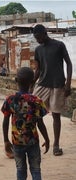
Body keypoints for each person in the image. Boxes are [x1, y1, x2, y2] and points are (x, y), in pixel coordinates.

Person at [1, 67, 50, 180]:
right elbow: (40, 123)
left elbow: (5, 121)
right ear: (32, 81)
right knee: (36, 170)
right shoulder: (36, 101)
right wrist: (47, 139)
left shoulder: (10, 100)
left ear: (16, 80)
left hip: (17, 142)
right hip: (33, 141)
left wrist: (6, 140)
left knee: (20, 170)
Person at [32, 24, 72, 156]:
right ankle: (38, 140)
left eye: (38, 37)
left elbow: (69, 63)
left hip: (57, 85)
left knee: (56, 115)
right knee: (33, 112)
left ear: (45, 33)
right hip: (42, 84)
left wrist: (68, 84)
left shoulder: (59, 45)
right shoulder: (38, 49)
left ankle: (56, 145)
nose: (37, 40)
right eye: (35, 38)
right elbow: (38, 69)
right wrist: (31, 84)